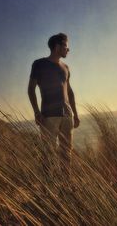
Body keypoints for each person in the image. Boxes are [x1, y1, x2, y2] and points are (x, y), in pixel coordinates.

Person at [28, 33, 80, 184]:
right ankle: (47, 189)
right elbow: (31, 89)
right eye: (66, 46)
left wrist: (75, 115)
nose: (68, 49)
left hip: (67, 116)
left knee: (66, 153)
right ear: (57, 47)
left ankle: (66, 184)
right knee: (48, 154)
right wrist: (37, 112)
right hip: (49, 116)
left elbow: (69, 92)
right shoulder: (39, 64)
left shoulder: (66, 67)